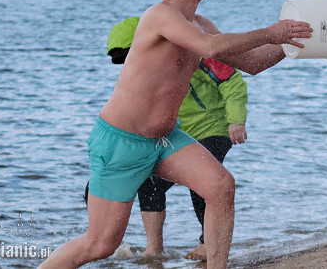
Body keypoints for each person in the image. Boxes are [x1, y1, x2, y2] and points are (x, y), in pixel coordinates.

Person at [41, 0, 311, 269]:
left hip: (166, 140)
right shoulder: (160, 15)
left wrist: (293, 41)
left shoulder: (201, 23)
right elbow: (209, 47)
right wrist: (270, 31)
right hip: (121, 141)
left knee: (221, 186)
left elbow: (252, 63)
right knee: (100, 245)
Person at [103, 16, 251, 261]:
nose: (132, 62)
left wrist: (236, 119)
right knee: (149, 182)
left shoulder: (196, 50)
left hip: (214, 126)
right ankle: (155, 249)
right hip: (179, 135)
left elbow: (232, 81)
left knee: (204, 179)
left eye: (131, 55)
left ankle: (208, 243)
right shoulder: (141, 72)